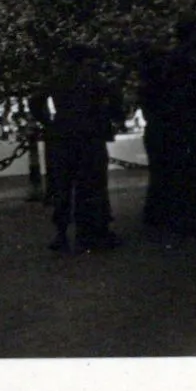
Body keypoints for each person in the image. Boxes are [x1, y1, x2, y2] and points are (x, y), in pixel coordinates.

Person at [37, 47, 125, 253]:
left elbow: (35, 100)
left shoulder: (56, 79)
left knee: (63, 186)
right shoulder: (94, 78)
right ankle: (90, 233)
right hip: (89, 136)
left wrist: (48, 121)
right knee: (92, 185)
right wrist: (113, 117)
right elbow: (115, 98)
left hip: (63, 135)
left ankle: (61, 233)